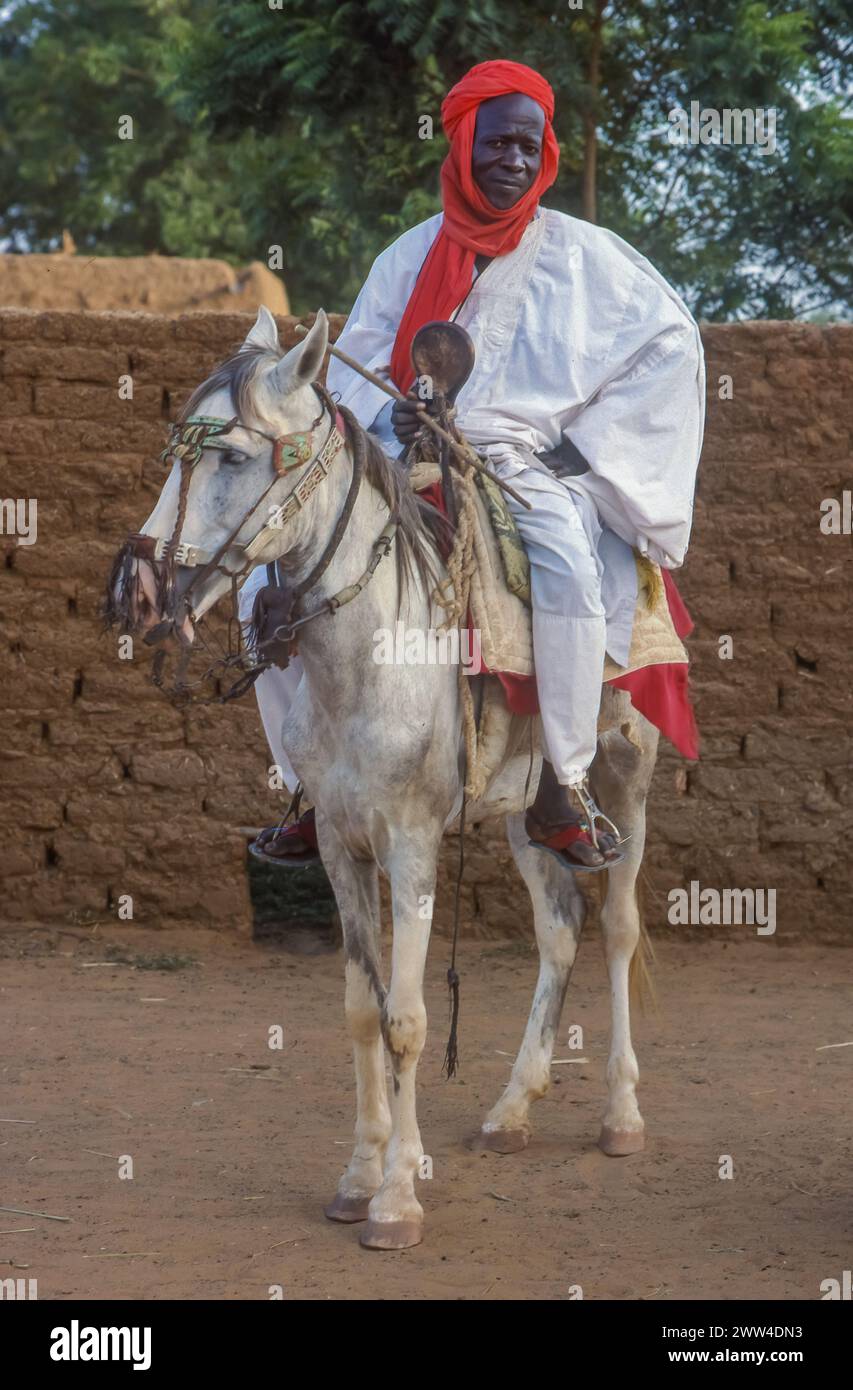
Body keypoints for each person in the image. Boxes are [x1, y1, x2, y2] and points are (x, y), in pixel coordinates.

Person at [243, 58, 704, 873]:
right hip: (395, 450)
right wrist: (393, 414)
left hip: (515, 462)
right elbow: (347, 370)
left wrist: (585, 449)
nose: (514, 161)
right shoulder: (406, 256)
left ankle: (561, 785)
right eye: (498, 143)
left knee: (566, 566)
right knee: (265, 574)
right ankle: (311, 788)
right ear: (462, 143)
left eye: (530, 146)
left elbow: (671, 344)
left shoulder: (588, 259)